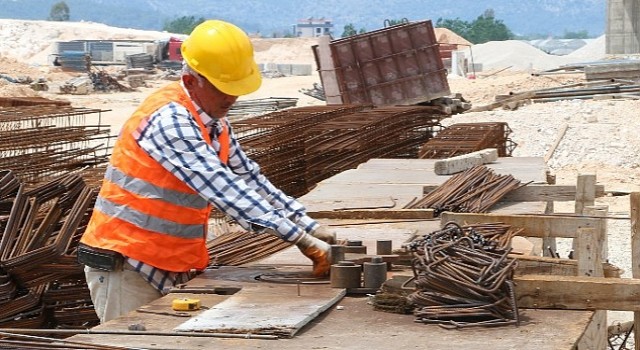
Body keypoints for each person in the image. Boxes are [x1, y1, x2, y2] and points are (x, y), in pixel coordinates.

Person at [78, 19, 334, 324]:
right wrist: (302, 240)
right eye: (222, 88)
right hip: (127, 265)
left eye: (236, 88)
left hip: (170, 264)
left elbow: (249, 178)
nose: (232, 98)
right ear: (191, 80)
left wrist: (306, 223)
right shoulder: (170, 120)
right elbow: (224, 187)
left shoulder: (214, 123)